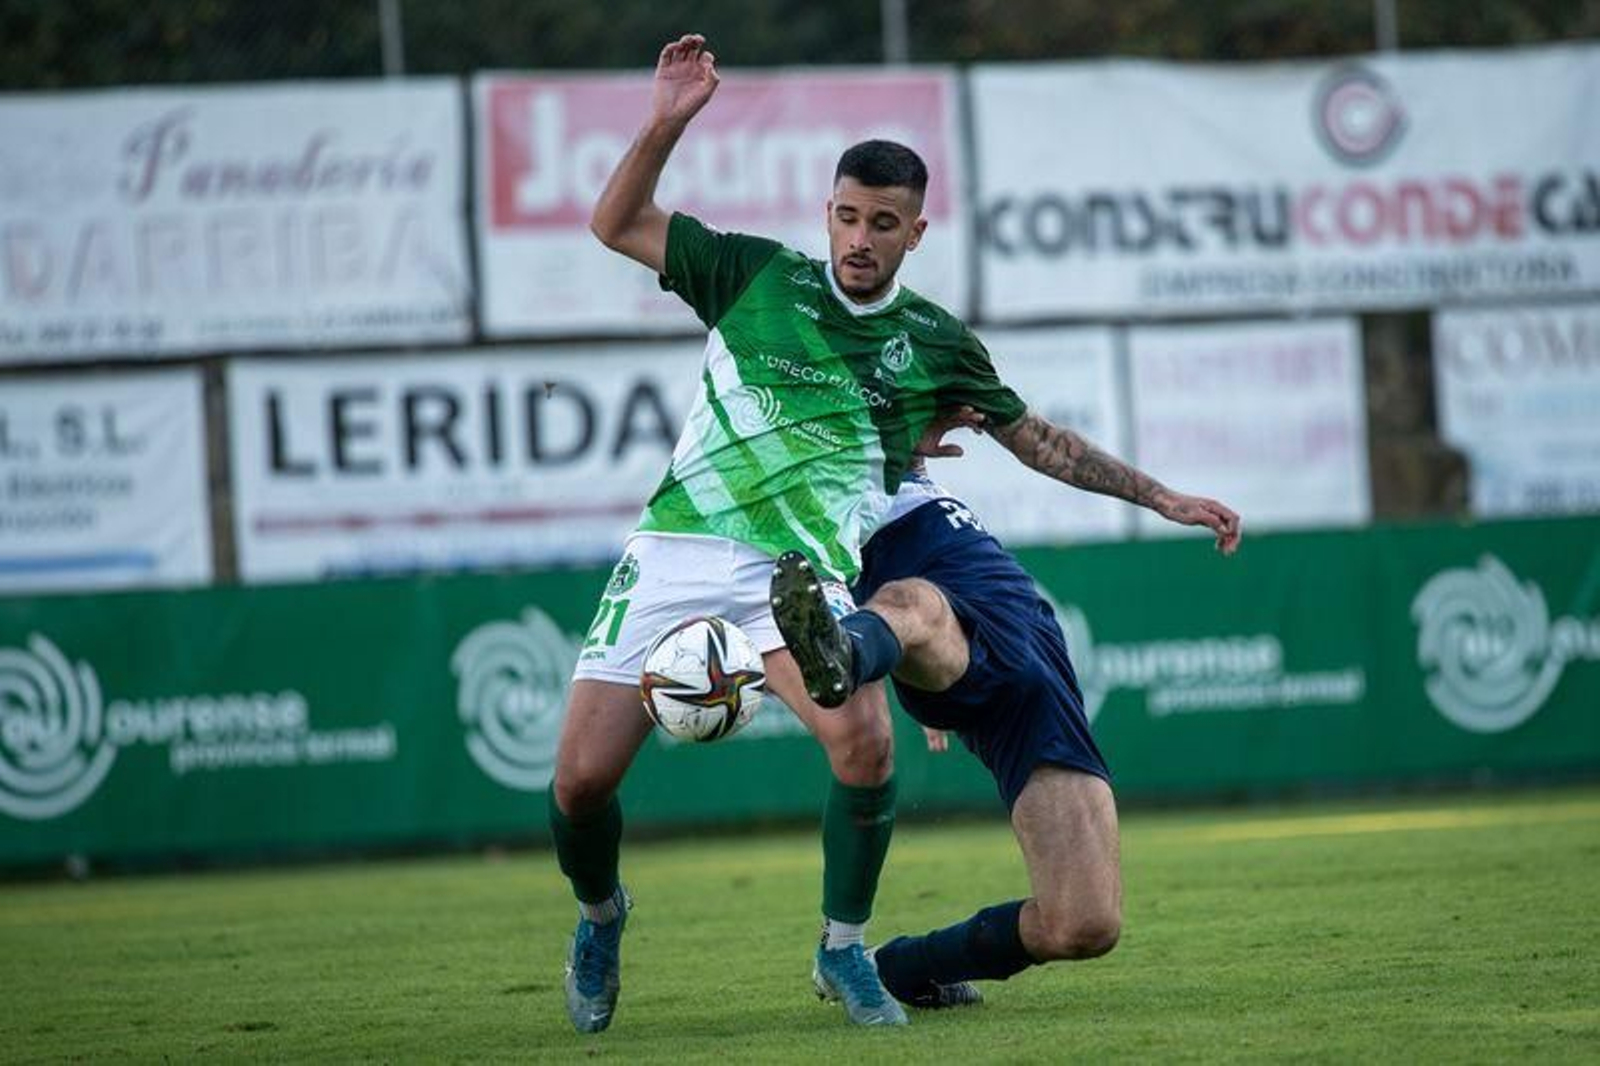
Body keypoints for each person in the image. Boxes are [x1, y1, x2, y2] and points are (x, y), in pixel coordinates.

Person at [553, 33, 1036, 1032]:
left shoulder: (935, 342)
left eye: (883, 223)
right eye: (847, 216)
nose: (859, 237)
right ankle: (601, 914)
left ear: (916, 230)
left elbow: (1007, 444)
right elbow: (613, 222)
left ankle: (843, 948)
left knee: (864, 749)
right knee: (578, 780)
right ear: (828, 212)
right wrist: (666, 121)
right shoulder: (755, 275)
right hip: (676, 549)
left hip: (794, 578)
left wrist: (1161, 499)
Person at [770, 420, 1240, 1008]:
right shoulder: (788, 422)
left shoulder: (921, 346)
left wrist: (1164, 499)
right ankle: (853, 652)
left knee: (1087, 924)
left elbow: (1041, 440)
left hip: (1015, 628)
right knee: (912, 604)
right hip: (906, 609)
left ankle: (895, 968)